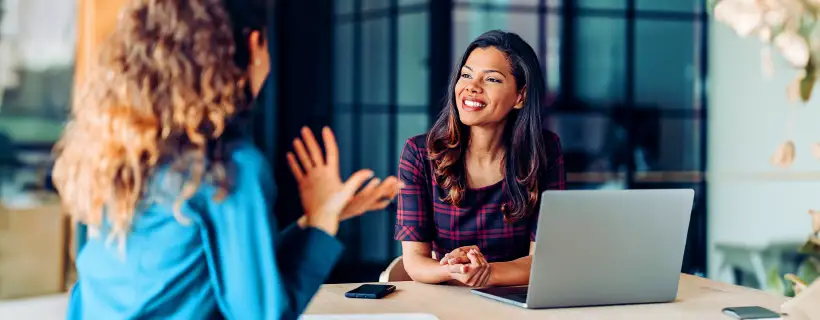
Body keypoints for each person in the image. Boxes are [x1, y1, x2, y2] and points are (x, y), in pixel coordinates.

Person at [53, 0, 400, 319]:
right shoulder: (227, 167)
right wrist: (323, 223)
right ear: (254, 46)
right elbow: (261, 314)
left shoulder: (118, 151)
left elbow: (213, 272)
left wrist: (316, 222)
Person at [395, 30, 566, 288]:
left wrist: (487, 273)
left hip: (517, 299)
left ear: (520, 96)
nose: (471, 87)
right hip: (448, 297)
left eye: (492, 80)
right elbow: (415, 261)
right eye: (466, 75)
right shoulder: (420, 153)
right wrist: (457, 269)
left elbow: (543, 260)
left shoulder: (545, 151)